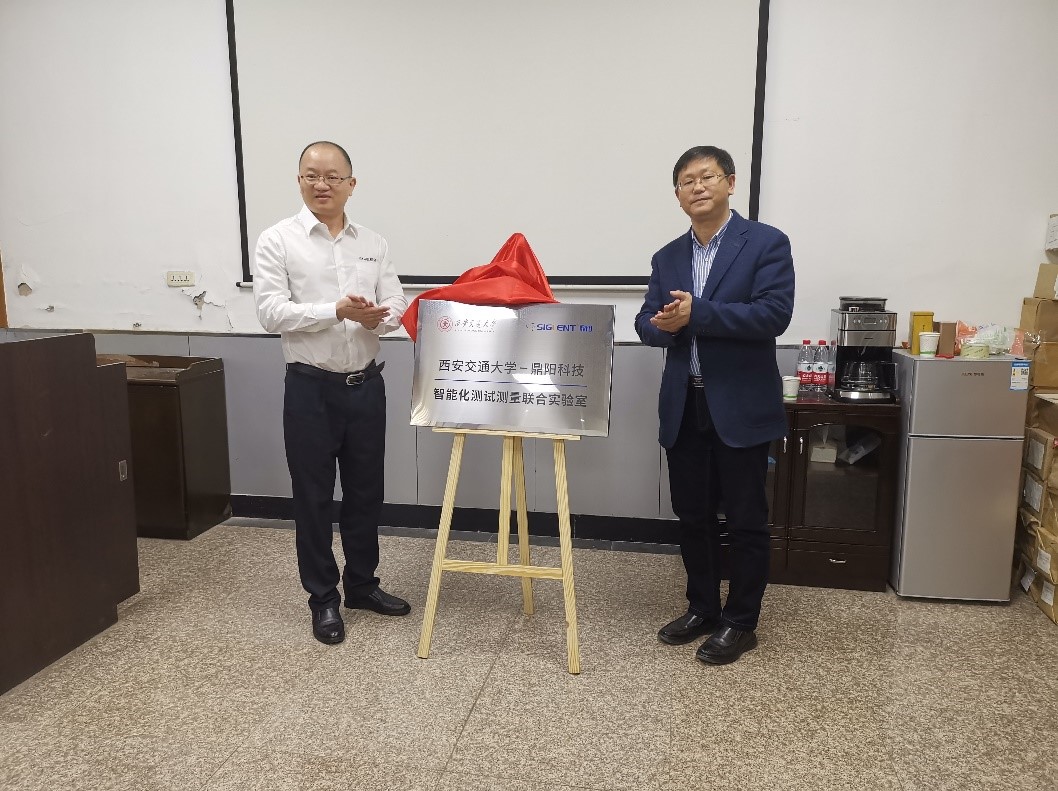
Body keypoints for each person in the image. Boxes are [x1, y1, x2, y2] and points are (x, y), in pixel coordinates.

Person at [634, 145, 794, 665]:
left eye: (707, 177)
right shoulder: (667, 256)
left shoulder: (766, 243)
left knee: (746, 519)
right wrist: (661, 326)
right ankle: (702, 607)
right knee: (693, 516)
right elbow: (644, 321)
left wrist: (697, 314)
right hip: (685, 404)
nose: (697, 187)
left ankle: (741, 622)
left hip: (740, 405)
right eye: (687, 181)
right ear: (677, 195)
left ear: (730, 183)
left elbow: (773, 315)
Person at [253, 141, 411, 645]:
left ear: (351, 183)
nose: (321, 185)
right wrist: (335, 311)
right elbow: (270, 312)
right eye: (311, 175)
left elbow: (396, 302)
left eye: (332, 176)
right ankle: (323, 598)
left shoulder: (373, 242)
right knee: (314, 497)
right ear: (299, 180)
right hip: (310, 390)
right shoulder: (278, 240)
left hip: (366, 387)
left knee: (366, 494)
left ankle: (362, 585)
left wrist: (377, 317)